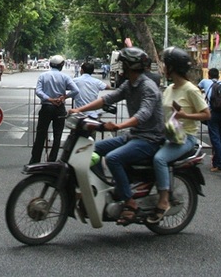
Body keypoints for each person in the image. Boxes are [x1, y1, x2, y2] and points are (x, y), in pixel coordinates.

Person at [69, 47, 164, 226]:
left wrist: (119, 125)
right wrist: (79, 110)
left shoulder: (147, 87)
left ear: (131, 66)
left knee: (113, 158)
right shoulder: (129, 85)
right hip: (134, 136)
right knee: (92, 148)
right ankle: (106, 190)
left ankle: (130, 202)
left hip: (149, 139)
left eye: (124, 65)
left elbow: (143, 114)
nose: (121, 69)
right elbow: (107, 99)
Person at [149, 47, 210, 223]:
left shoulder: (190, 89)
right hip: (169, 135)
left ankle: (163, 200)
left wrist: (185, 115)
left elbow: (207, 114)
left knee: (159, 159)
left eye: (165, 65)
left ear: (172, 67)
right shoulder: (169, 89)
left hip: (185, 138)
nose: (163, 68)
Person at [28, 55, 80, 165]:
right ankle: (52, 161)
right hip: (59, 108)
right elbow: (76, 90)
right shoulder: (65, 77)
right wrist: (64, 97)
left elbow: (38, 91)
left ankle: (35, 160)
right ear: (61, 65)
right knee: (57, 135)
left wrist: (49, 99)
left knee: (41, 134)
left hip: (46, 107)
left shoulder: (43, 75)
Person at [201, 67, 221, 173]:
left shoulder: (205, 81)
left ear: (208, 75)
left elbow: (197, 90)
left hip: (213, 113)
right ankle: (216, 162)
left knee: (215, 139)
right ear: (218, 76)